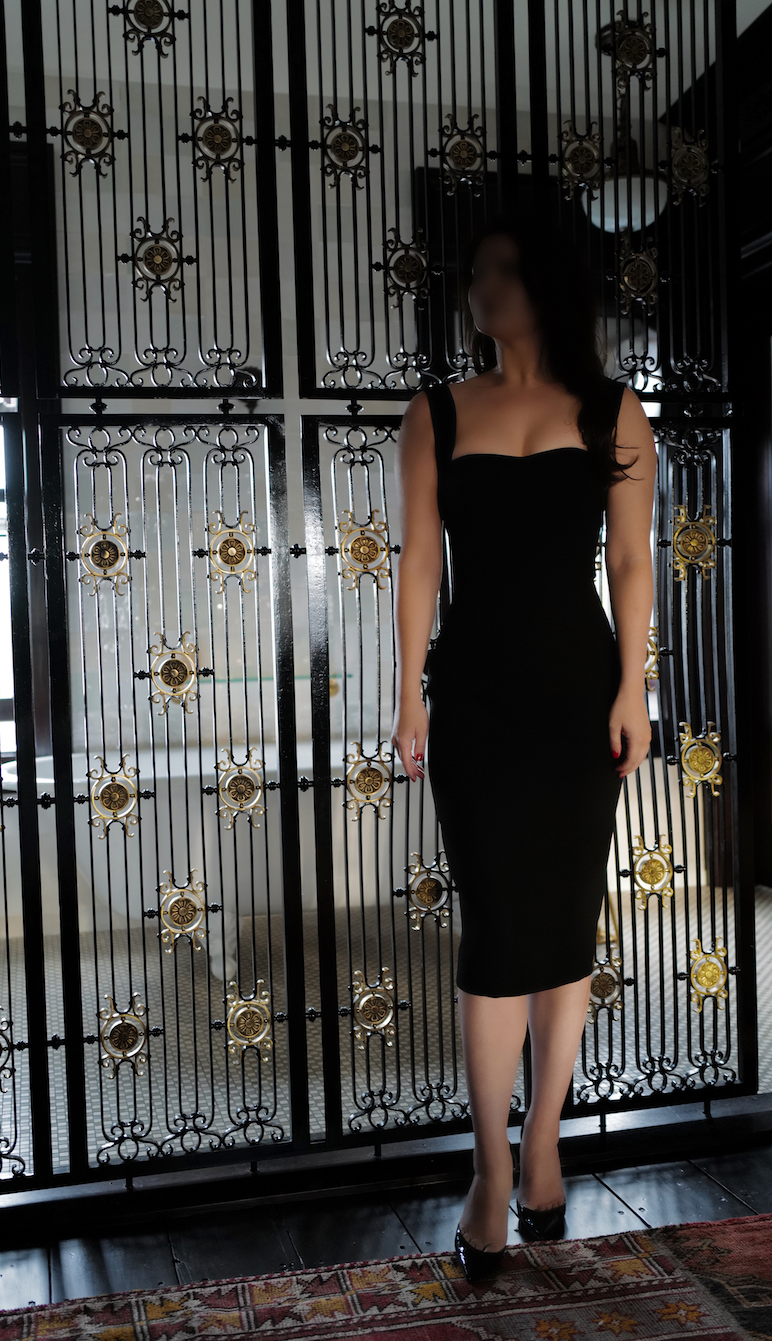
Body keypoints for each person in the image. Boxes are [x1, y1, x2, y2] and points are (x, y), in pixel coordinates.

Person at [389, 211, 657, 1281]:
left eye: (503, 272)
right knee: (500, 923)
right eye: (476, 275)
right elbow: (417, 563)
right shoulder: (438, 412)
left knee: (563, 918)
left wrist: (635, 683)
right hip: (479, 701)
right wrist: (408, 695)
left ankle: (543, 1140)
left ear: (546, 285)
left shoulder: (613, 409)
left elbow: (633, 562)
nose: (482, 290)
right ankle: (491, 1169)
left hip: (578, 698)